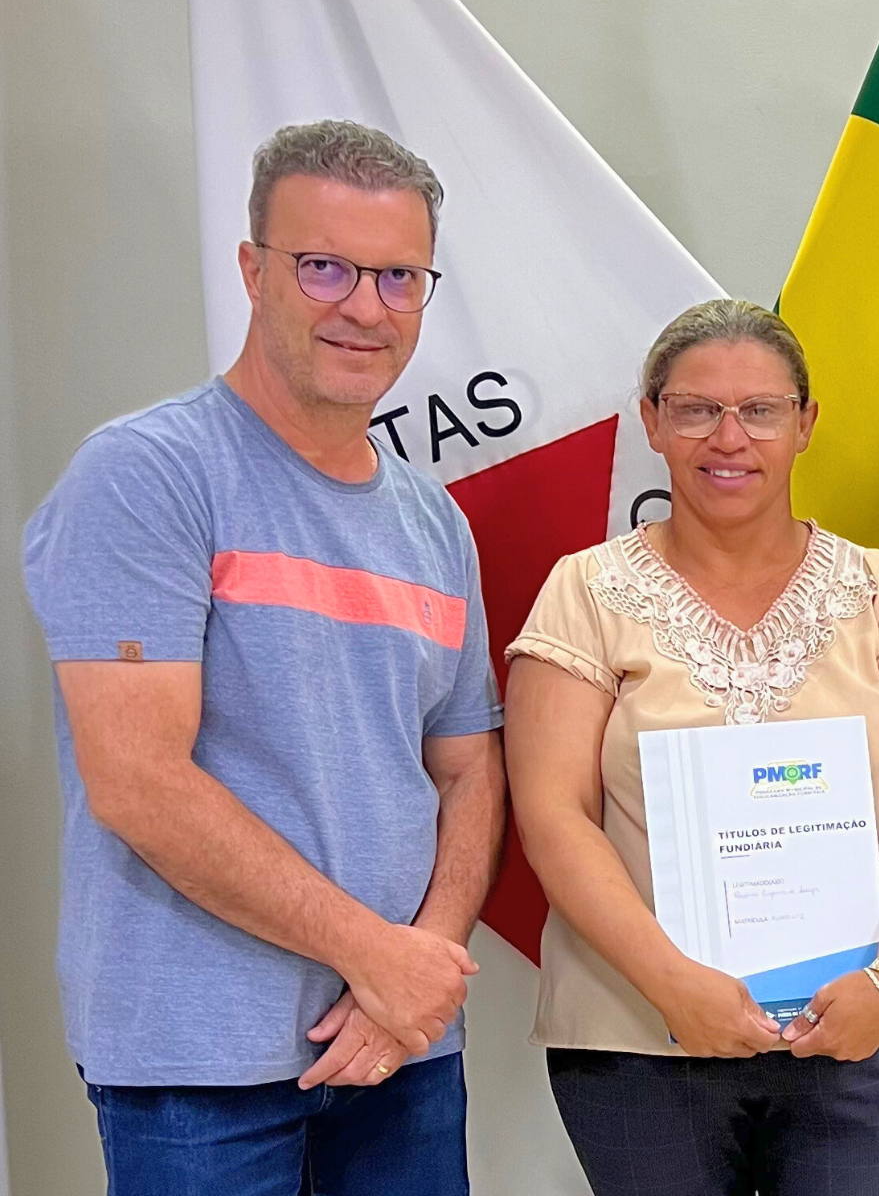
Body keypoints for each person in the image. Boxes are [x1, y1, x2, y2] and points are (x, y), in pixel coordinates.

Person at [22, 120, 505, 1194]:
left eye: (397, 276)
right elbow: (138, 781)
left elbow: (469, 768)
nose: (364, 307)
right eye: (325, 266)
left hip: (401, 1054)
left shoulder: (434, 522)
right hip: (197, 1066)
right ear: (252, 270)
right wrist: (375, 956)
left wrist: (419, 969)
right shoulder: (147, 476)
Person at [503, 298, 879, 1196]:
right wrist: (672, 983)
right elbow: (553, 814)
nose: (729, 438)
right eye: (696, 409)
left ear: (805, 423)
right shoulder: (585, 591)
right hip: (640, 1034)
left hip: (863, 1031)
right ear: (652, 421)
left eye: (760, 410)